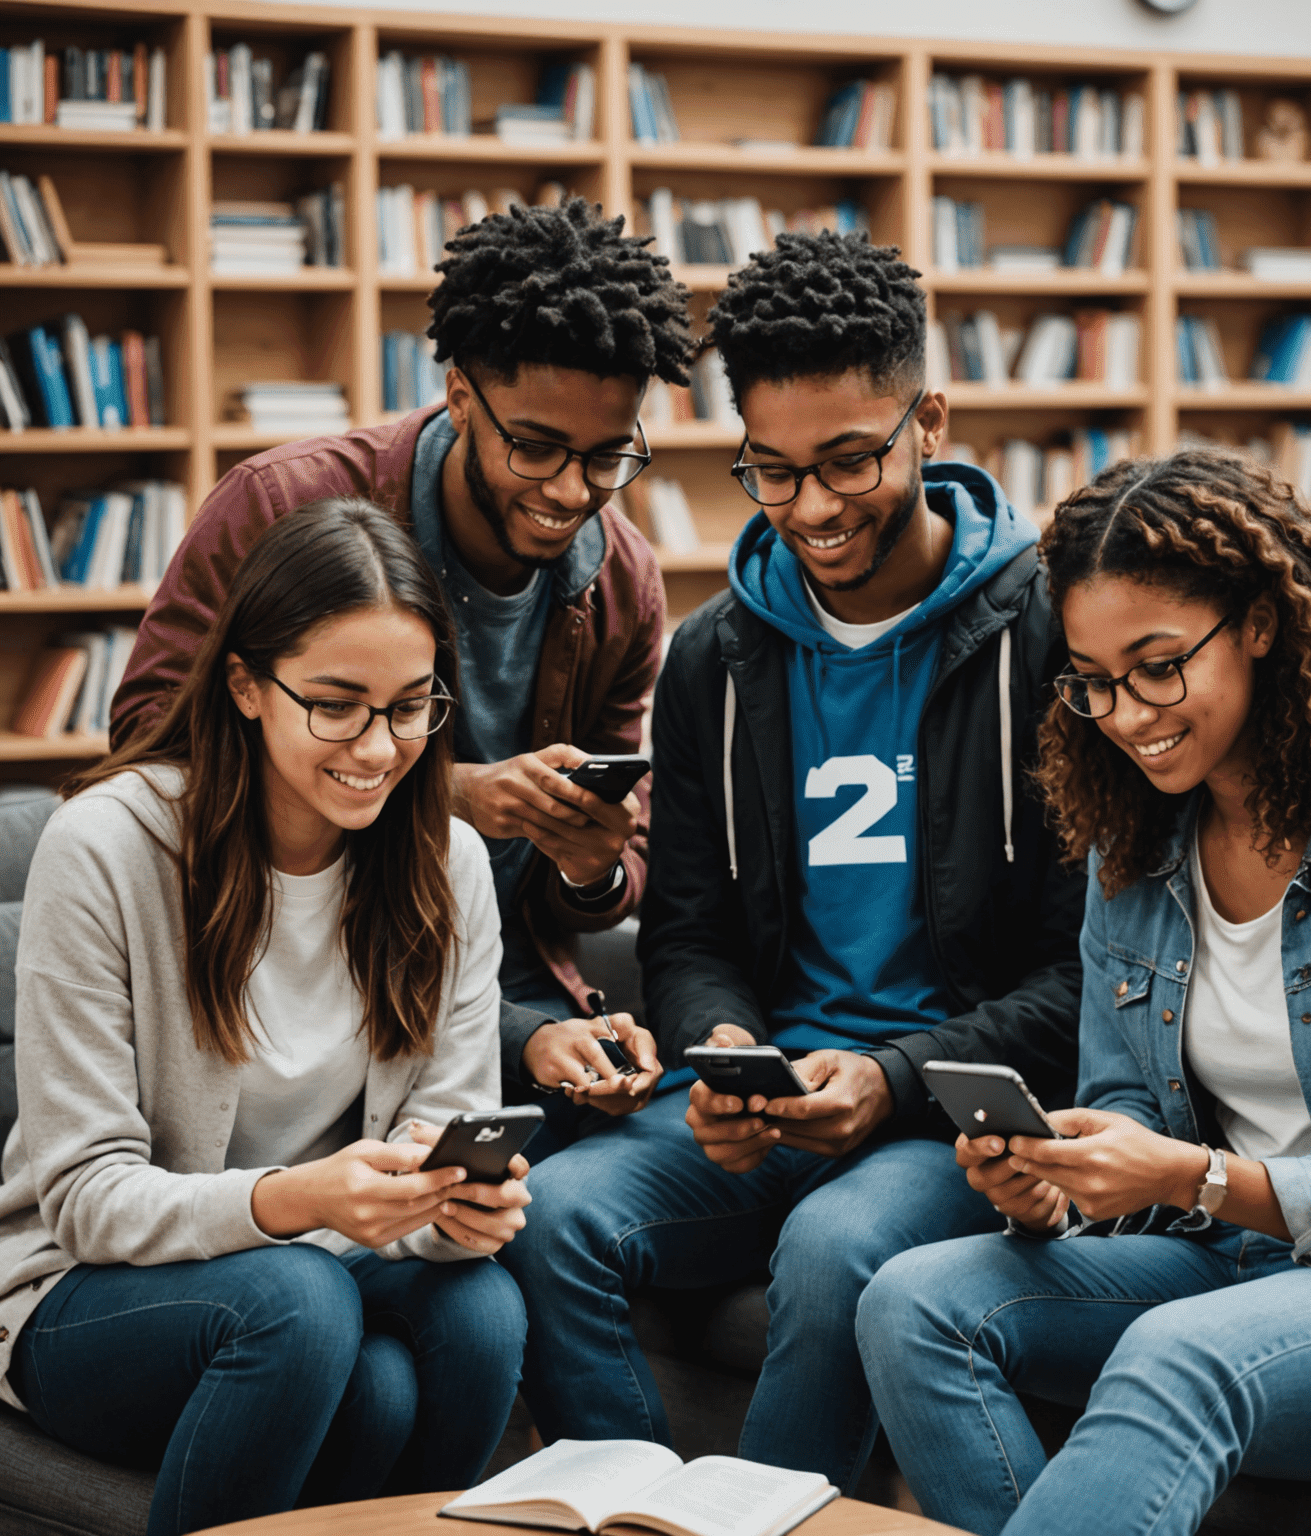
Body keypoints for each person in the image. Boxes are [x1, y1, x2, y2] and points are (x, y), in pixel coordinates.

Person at [856, 448, 1311, 1536]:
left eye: (1159, 665)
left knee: (1176, 1354)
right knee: (912, 1304)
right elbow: (1129, 1102)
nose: (1125, 714)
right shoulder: (1133, 838)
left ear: (1261, 623)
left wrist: (1199, 1176)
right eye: (1092, 678)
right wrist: (1065, 1183)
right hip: (1222, 1261)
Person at [504, 231, 1086, 1491]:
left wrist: (887, 1080)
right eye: (771, 473)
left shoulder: (1049, 635)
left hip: (952, 1116)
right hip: (770, 1101)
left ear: (930, 419)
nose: (814, 510)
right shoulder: (717, 659)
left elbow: (1091, 967)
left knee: (834, 1249)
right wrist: (719, 1052)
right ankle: (648, 1514)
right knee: (545, 1218)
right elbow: (691, 933)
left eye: (850, 462)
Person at [0, 499, 531, 1536]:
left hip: (319, 1279)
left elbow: (443, 1129)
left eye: (412, 706)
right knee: (300, 1306)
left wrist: (454, 1208)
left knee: (479, 1314)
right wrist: (303, 1201)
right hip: (87, 1292)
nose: (379, 748)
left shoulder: (447, 863)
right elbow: (84, 1196)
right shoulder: (107, 846)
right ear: (245, 683)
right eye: (337, 705)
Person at [110, 198, 694, 1129]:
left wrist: (589, 864)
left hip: (495, 992)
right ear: (461, 395)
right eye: (535, 447)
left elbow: (605, 888)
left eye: (608, 455)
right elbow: (150, 749)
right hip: (284, 977)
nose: (571, 491)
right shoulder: (283, 508)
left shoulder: (622, 579)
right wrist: (450, 791)